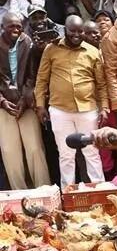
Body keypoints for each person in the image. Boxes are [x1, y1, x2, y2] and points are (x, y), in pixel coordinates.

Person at [34, 15, 108, 187]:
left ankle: (100, 190)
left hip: (87, 109)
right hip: (60, 110)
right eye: (72, 31)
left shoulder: (92, 51)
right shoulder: (51, 49)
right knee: (66, 155)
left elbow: (102, 84)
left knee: (92, 152)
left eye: (80, 31)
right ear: (65, 30)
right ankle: (68, 193)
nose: (76, 34)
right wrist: (40, 105)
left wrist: (104, 107)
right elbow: (41, 79)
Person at [0, 12, 50, 189]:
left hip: (26, 103)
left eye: (18, 26)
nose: (16, 29)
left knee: (35, 148)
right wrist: (2, 102)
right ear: (2, 27)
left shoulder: (27, 42)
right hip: (4, 105)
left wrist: (24, 98)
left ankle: (44, 191)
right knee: (9, 151)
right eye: (11, 26)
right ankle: (18, 194)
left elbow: (33, 75)